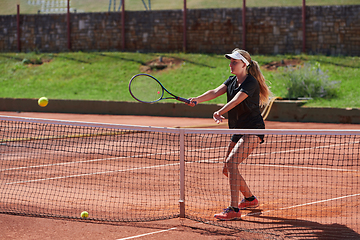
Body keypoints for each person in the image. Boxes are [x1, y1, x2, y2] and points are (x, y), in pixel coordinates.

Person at [187, 48, 271, 221]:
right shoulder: (232, 80)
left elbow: (236, 100)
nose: (231, 64)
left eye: (234, 62)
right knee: (227, 169)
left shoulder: (250, 82)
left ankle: (234, 209)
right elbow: (215, 92)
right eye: (231, 61)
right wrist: (197, 99)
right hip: (238, 130)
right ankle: (250, 199)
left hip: (253, 129)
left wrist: (220, 111)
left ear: (244, 65)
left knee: (232, 163)